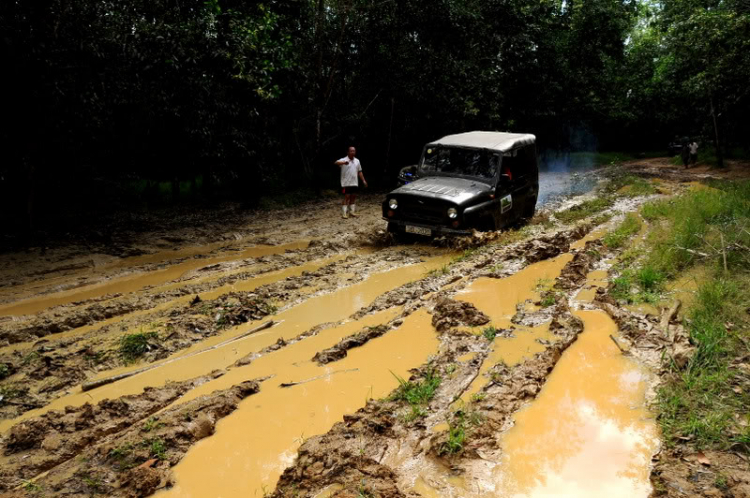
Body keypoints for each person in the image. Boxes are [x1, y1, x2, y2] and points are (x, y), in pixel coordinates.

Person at [334, 146, 367, 219]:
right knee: (347, 197)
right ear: (348, 152)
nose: (353, 152)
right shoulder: (344, 159)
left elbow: (360, 171)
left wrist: (363, 180)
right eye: (351, 151)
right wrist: (343, 162)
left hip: (354, 182)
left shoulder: (357, 161)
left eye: (354, 151)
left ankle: (352, 212)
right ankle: (344, 213)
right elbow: (336, 162)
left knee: (353, 197)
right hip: (346, 183)